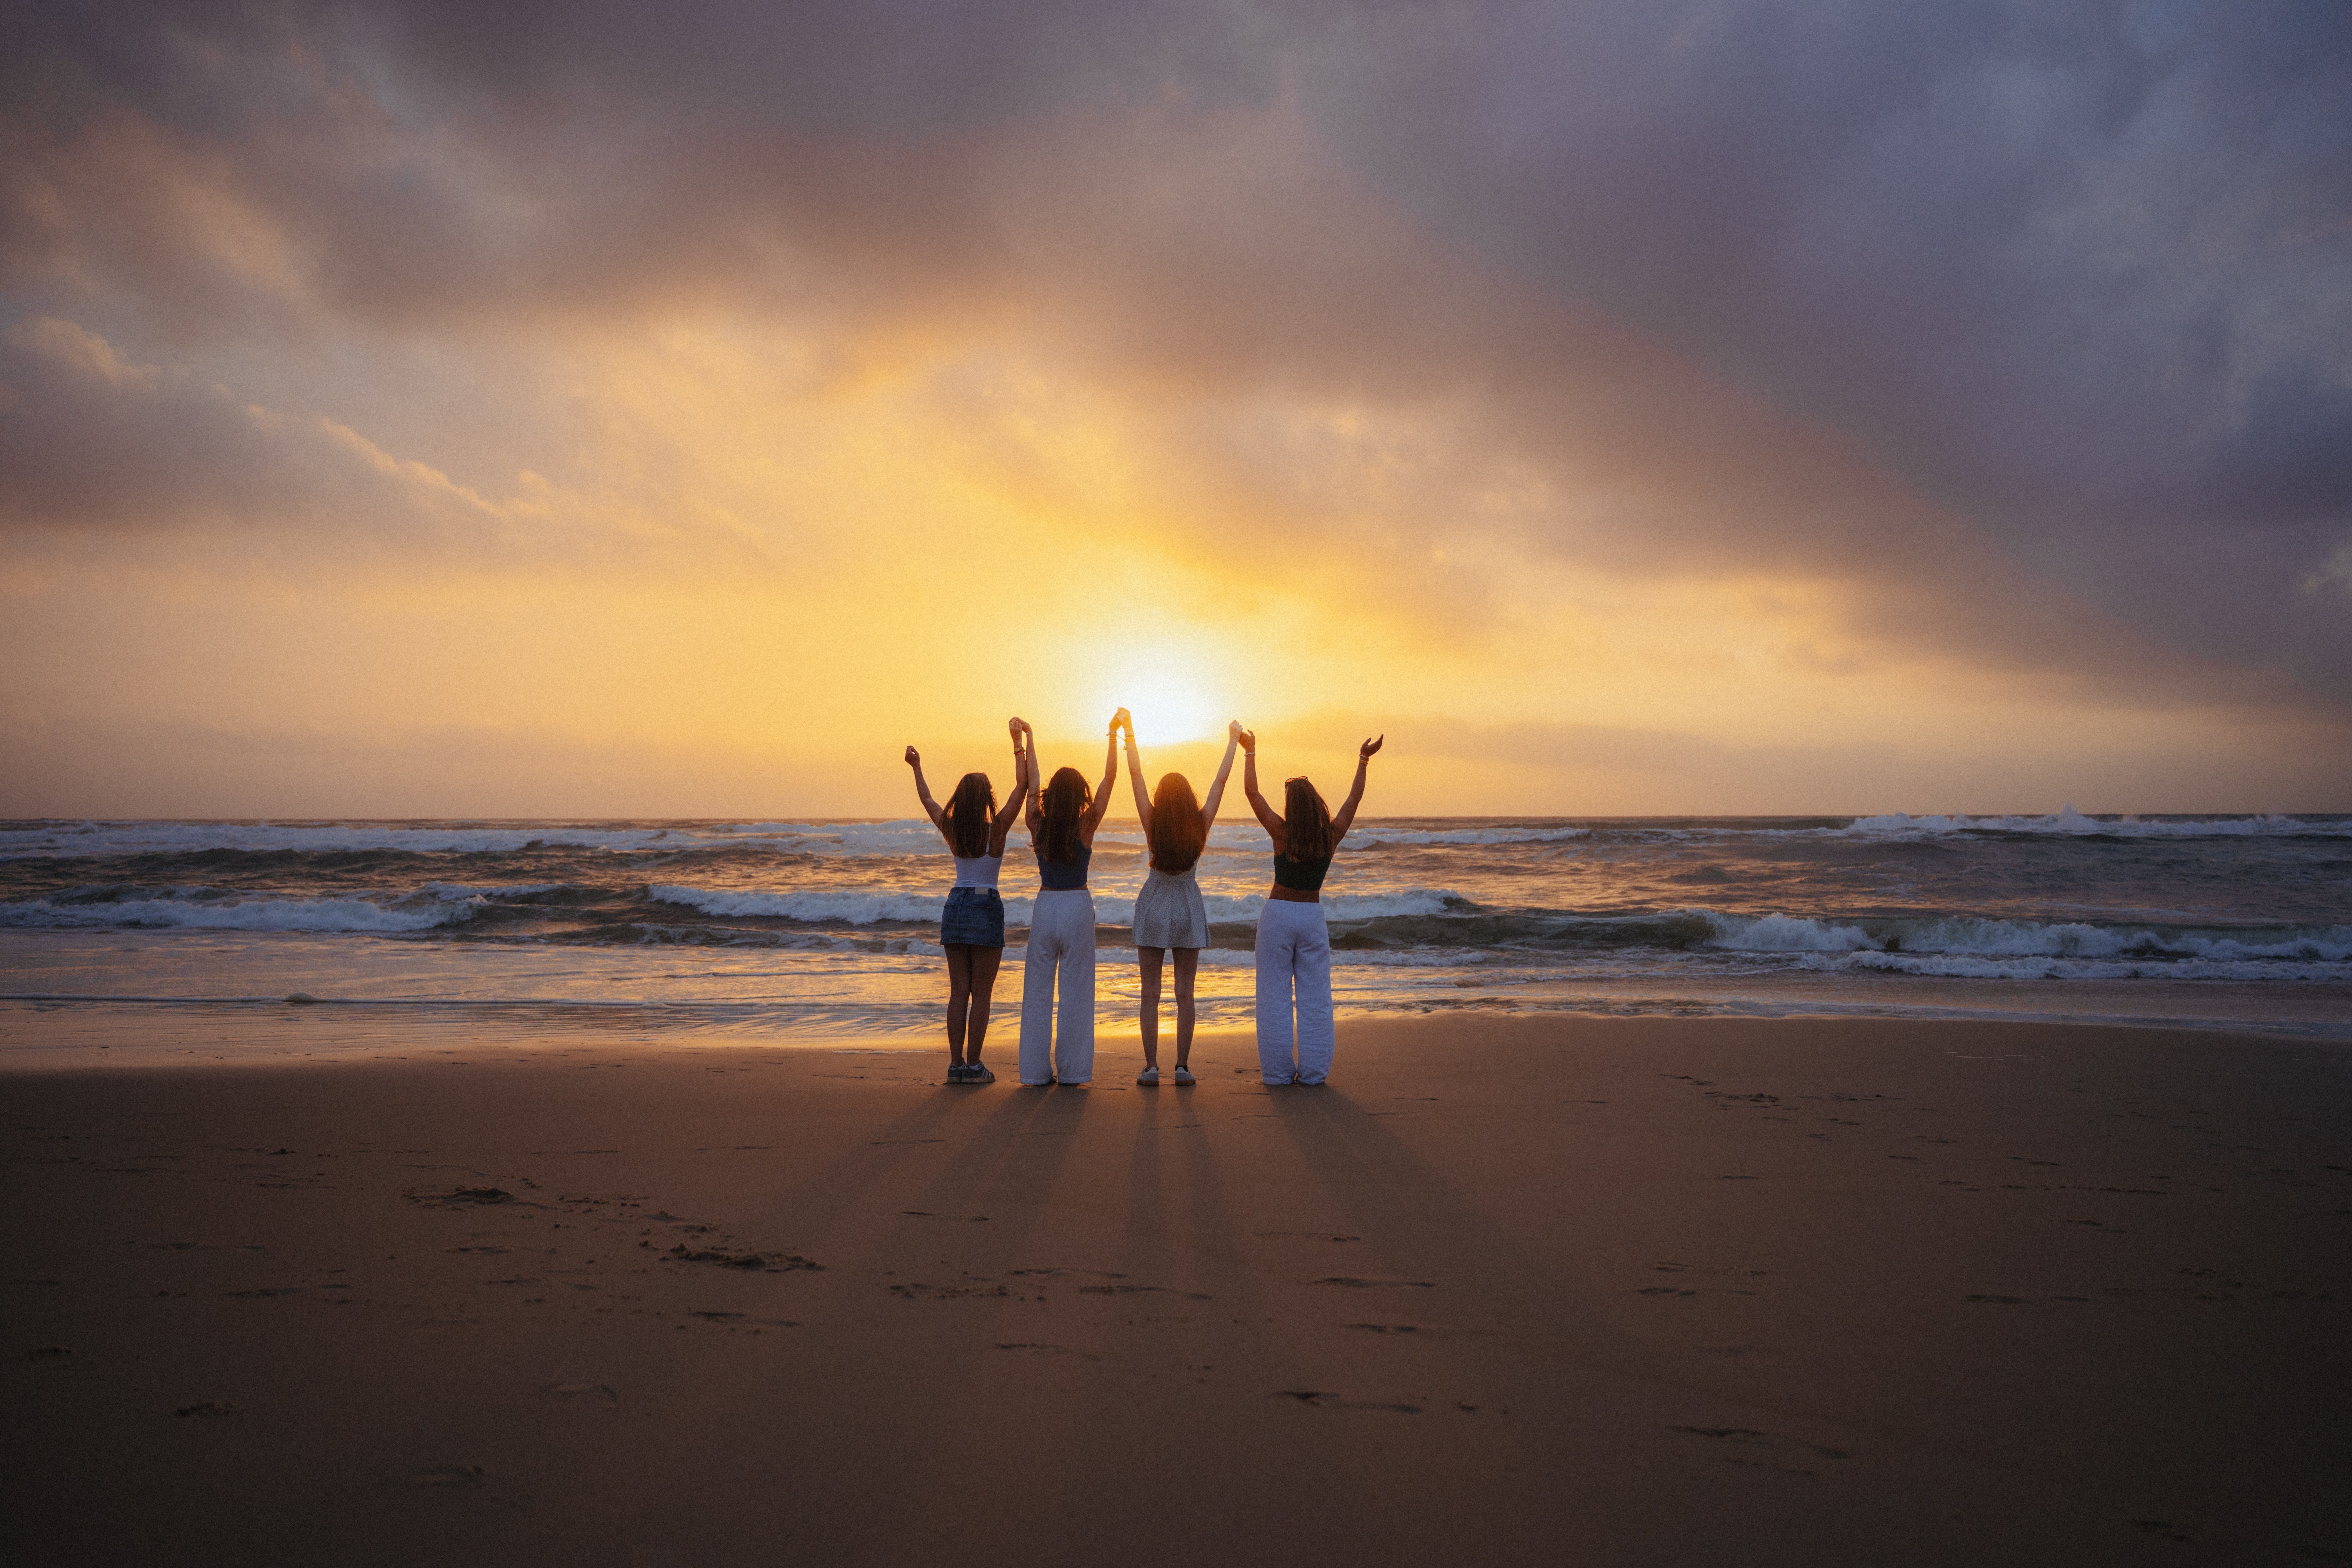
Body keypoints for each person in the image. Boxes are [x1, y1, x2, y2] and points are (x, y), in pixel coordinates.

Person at [1239, 728, 1383, 1086]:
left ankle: (1276, 1074)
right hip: (1311, 916)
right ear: (1316, 803)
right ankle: (1315, 1073)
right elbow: (1354, 798)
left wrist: (1251, 751)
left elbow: (1252, 793)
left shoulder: (1281, 833)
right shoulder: (1330, 836)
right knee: (1316, 997)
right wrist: (1363, 760)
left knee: (1273, 995)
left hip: (1278, 915)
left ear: (1291, 806)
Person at [906, 722, 1030, 1084]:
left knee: (959, 989)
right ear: (988, 799)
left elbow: (928, 800)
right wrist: (1017, 743)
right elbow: (1022, 787)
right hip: (986, 905)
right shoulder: (999, 828)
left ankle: (956, 1064)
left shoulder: (952, 828)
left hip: (957, 904)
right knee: (983, 993)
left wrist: (917, 767)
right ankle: (975, 1065)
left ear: (961, 797)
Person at [1121, 714, 1241, 1086]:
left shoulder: (1153, 821)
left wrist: (1130, 733)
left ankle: (1151, 1067)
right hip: (1188, 902)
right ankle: (1183, 1067)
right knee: (1185, 994)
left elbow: (1137, 778)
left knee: (1151, 994)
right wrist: (1233, 740)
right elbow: (1220, 781)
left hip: (1156, 901)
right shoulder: (1199, 823)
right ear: (1189, 798)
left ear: (1161, 798)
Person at [1015, 714, 1120, 1086]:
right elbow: (1109, 782)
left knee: (1037, 993)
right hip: (1076, 906)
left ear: (1052, 796)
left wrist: (1026, 739)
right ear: (1079, 797)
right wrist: (1114, 735)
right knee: (1076, 992)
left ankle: (1033, 1071)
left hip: (1045, 907)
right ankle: (1074, 1072)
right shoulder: (1086, 825)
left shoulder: (1037, 823)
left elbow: (1032, 784)